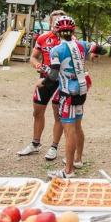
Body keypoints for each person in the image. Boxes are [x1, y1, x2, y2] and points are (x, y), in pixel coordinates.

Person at [42, 16, 107, 178]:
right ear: (73, 30)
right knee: (78, 126)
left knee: (69, 130)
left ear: (57, 31)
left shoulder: (56, 50)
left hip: (67, 93)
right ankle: (77, 159)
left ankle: (68, 171)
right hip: (82, 90)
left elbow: (54, 74)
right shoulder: (82, 44)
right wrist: (95, 54)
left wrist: (42, 83)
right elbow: (102, 50)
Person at [17, 10, 67, 161]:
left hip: (61, 82)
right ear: (51, 22)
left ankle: (54, 146)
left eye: (60, 21)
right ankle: (35, 143)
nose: (57, 24)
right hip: (44, 80)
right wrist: (40, 67)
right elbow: (33, 57)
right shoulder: (43, 38)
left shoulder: (69, 40)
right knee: (37, 112)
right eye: (55, 21)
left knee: (57, 114)